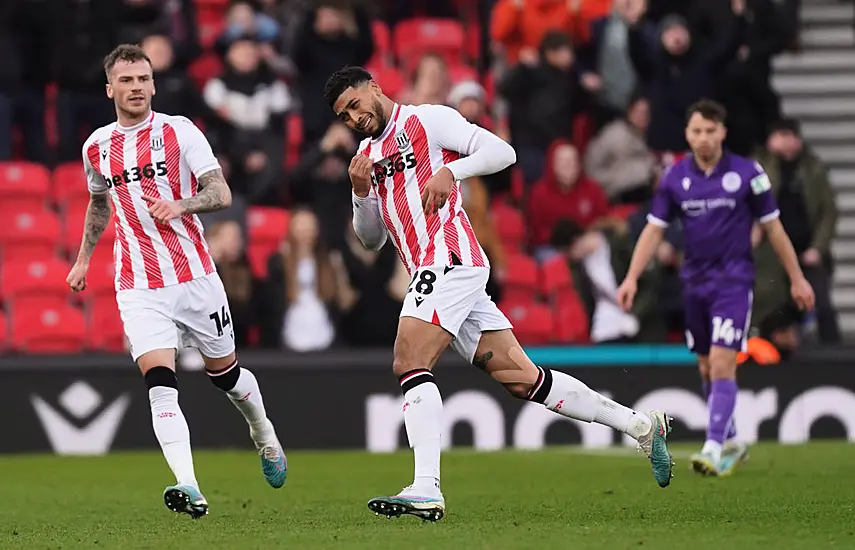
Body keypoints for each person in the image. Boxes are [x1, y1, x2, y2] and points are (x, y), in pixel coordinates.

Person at [323, 65, 675, 522]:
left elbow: (503, 152)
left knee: (408, 358)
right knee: (524, 379)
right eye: (343, 115)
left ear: (374, 87)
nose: (352, 117)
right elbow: (371, 240)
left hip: (450, 256)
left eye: (354, 104)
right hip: (432, 269)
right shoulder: (367, 155)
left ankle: (426, 487)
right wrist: (360, 193)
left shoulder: (427, 120)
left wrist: (453, 171)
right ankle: (640, 425)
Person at [65, 44, 287, 519]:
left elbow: (221, 191)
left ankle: (264, 435)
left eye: (143, 78)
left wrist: (181, 205)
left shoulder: (179, 131)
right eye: (126, 80)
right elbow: (100, 204)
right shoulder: (97, 147)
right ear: (110, 89)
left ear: (153, 83)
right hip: (138, 284)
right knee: (160, 383)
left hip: (196, 277)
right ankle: (188, 485)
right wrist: (83, 259)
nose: (137, 87)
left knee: (226, 377)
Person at [617, 99, 815, 478]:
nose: (704, 138)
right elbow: (654, 230)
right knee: (707, 365)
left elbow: (773, 228)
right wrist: (631, 277)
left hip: (734, 284)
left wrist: (797, 278)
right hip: (694, 284)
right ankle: (734, 440)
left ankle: (712, 448)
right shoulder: (675, 177)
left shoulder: (747, 174)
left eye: (710, 130)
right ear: (687, 135)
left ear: (723, 132)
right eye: (697, 131)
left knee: (724, 362)